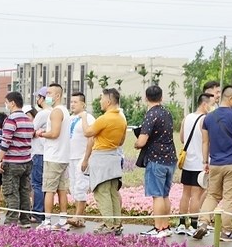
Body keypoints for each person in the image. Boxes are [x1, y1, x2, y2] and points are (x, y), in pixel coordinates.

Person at [193, 85, 232, 242]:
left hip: (215, 163)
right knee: (229, 198)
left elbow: (205, 142)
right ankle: (225, 232)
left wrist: (205, 161)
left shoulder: (209, 118)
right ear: (231, 98)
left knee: (212, 195)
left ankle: (203, 223)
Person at [133, 85, 177, 237]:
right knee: (164, 195)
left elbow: (142, 140)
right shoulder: (167, 113)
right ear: (161, 97)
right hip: (170, 158)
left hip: (156, 159)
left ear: (146, 98)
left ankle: (159, 227)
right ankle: (165, 226)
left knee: (157, 195)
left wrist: (136, 143)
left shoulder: (151, 115)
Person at [82, 88, 126, 235]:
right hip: (114, 158)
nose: (100, 102)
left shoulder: (105, 118)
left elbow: (87, 132)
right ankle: (116, 223)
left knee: (102, 192)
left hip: (101, 159)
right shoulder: (121, 118)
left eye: (101, 99)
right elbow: (121, 141)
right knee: (112, 192)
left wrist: (83, 117)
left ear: (108, 101)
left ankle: (109, 225)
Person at [34, 83, 71, 232]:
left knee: (49, 189)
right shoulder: (65, 111)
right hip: (62, 156)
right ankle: (63, 220)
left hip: (53, 156)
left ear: (57, 95)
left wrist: (41, 133)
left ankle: (47, 220)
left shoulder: (56, 112)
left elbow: (54, 133)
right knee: (61, 189)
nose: (46, 96)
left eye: (49, 93)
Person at [175, 93, 213, 234]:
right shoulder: (205, 119)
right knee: (196, 195)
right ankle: (193, 224)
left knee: (185, 193)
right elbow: (205, 141)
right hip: (199, 163)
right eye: (211, 104)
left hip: (187, 162)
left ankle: (181, 223)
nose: (212, 107)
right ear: (204, 104)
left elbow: (182, 138)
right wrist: (205, 161)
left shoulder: (187, 118)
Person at [0, 92, 35, 228]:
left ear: (12, 103)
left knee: (11, 192)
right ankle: (25, 220)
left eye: (7, 102)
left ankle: (11, 223)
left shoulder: (11, 119)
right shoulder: (28, 119)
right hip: (26, 161)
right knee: (24, 192)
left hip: (12, 162)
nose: (6, 105)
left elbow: (5, 141)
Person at [66, 91, 96, 228]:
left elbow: (91, 138)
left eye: (75, 102)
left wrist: (86, 158)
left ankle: (78, 216)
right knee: (73, 187)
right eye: (71, 102)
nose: (72, 104)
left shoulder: (89, 118)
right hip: (70, 157)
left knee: (80, 186)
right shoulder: (71, 118)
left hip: (82, 157)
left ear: (83, 104)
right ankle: (78, 217)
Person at [29, 86, 50, 223]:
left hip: (38, 153)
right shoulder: (55, 112)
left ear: (42, 98)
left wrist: (35, 133)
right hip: (48, 153)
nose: (37, 99)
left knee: (36, 184)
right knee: (45, 185)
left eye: (38, 97)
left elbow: (31, 131)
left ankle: (37, 213)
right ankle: (43, 212)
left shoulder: (42, 114)